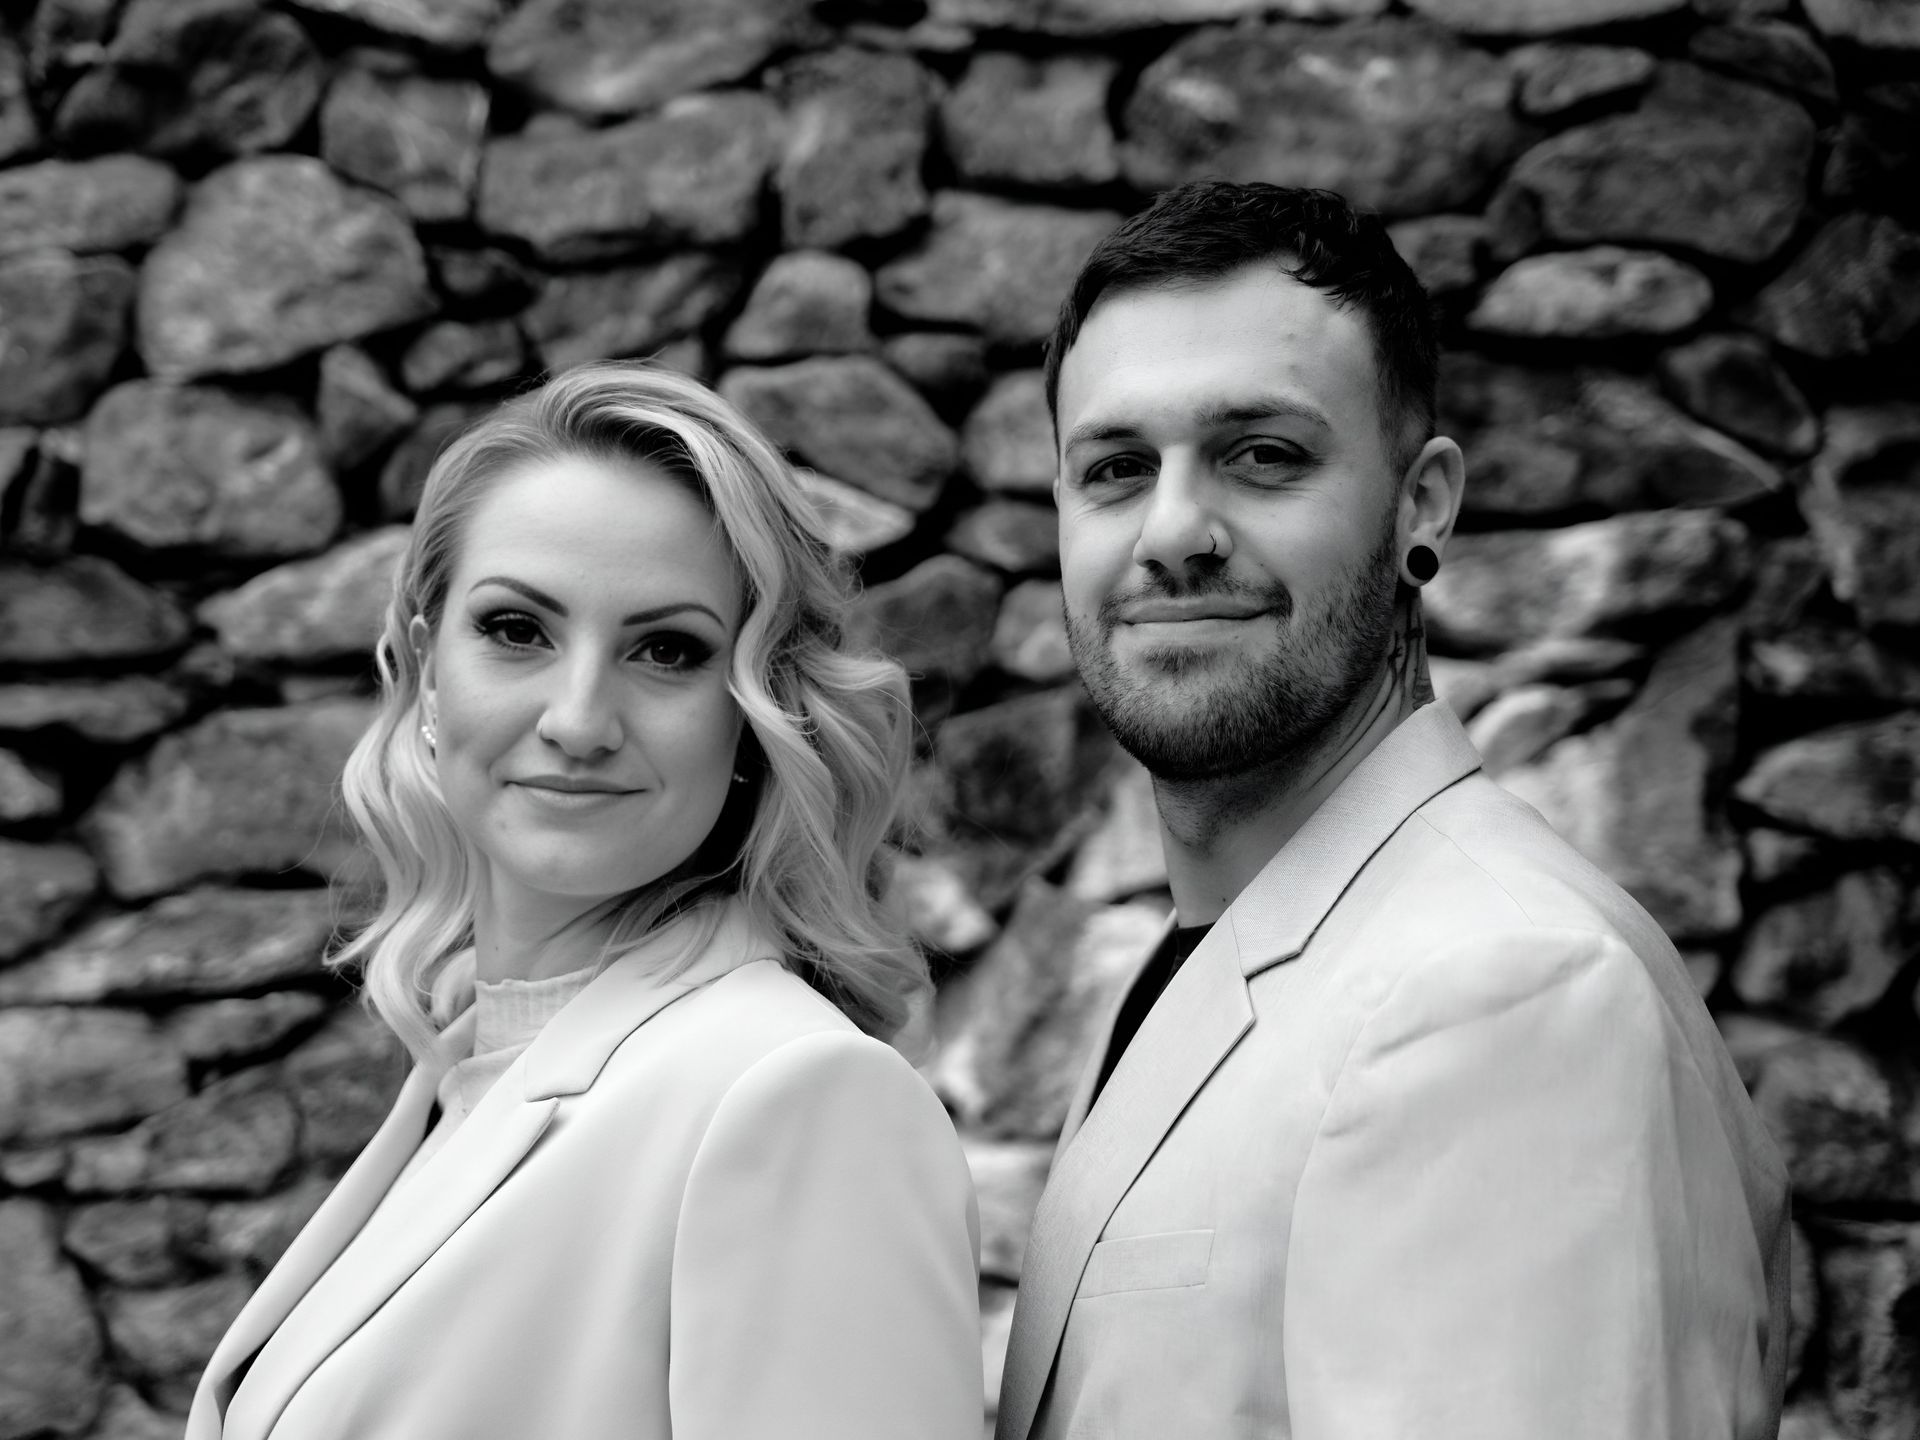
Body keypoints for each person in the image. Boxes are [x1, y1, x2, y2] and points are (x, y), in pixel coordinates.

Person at [996, 183, 1791, 1440]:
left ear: (1422, 505)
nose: (1173, 531)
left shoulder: (1503, 989)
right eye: (1115, 469)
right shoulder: (1217, 949)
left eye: (1264, 454)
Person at [188, 362, 983, 1440]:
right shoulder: (464, 1071)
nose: (577, 719)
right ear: (428, 670)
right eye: (518, 630)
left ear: (753, 717)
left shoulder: (797, 1095)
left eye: (667, 650)